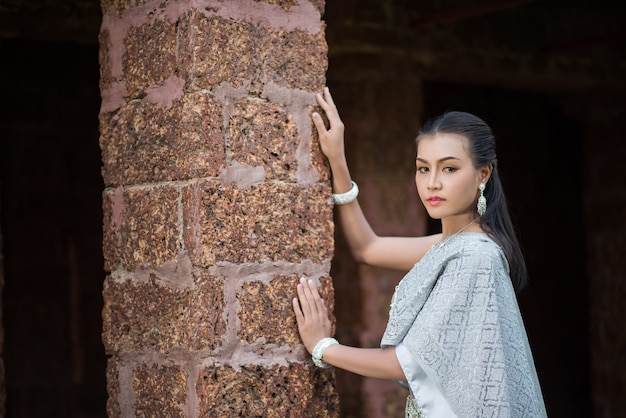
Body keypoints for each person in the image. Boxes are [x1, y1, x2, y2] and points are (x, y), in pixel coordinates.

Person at [292, 87, 547, 417]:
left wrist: (323, 347)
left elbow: (407, 363)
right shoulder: (454, 245)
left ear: (483, 174)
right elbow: (368, 247)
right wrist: (337, 160)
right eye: (423, 168)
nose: (433, 183)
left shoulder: (474, 257)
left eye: (449, 168)